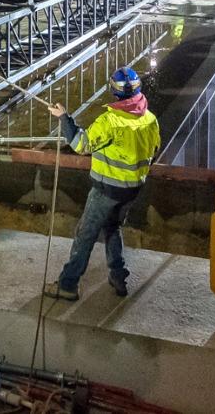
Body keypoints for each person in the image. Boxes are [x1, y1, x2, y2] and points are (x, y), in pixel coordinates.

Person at [43, 68, 161, 300]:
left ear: (114, 92)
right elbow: (154, 150)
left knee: (85, 234)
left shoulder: (109, 121)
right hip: (132, 190)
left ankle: (68, 284)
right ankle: (118, 275)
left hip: (106, 189)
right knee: (112, 228)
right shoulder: (150, 120)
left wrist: (64, 118)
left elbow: (80, 144)